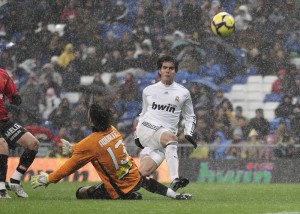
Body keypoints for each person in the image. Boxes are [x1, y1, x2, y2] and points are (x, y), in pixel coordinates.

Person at [30, 103, 191, 200]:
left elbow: (70, 167)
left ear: (91, 121)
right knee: (141, 180)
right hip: (134, 177)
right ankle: (130, 194)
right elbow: (95, 147)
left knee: (81, 193)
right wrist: (73, 148)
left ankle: (126, 196)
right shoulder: (113, 131)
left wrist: (49, 178)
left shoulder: (91, 142)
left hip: (116, 189)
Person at [135, 55, 196, 191]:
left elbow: (190, 116)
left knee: (141, 175)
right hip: (148, 129)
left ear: (175, 71)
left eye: (171, 68)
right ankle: (175, 179)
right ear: (160, 71)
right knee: (172, 138)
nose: (168, 71)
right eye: (165, 68)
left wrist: (188, 133)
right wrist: (136, 135)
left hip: (164, 140)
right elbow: (143, 114)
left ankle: (118, 189)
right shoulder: (148, 91)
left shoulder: (183, 93)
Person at [0, 68, 40, 198]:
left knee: (33, 143)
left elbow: (13, 96)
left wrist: (16, 98)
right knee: (2, 145)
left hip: (4, 120)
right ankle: (1, 188)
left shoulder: (3, 74)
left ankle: (15, 181)